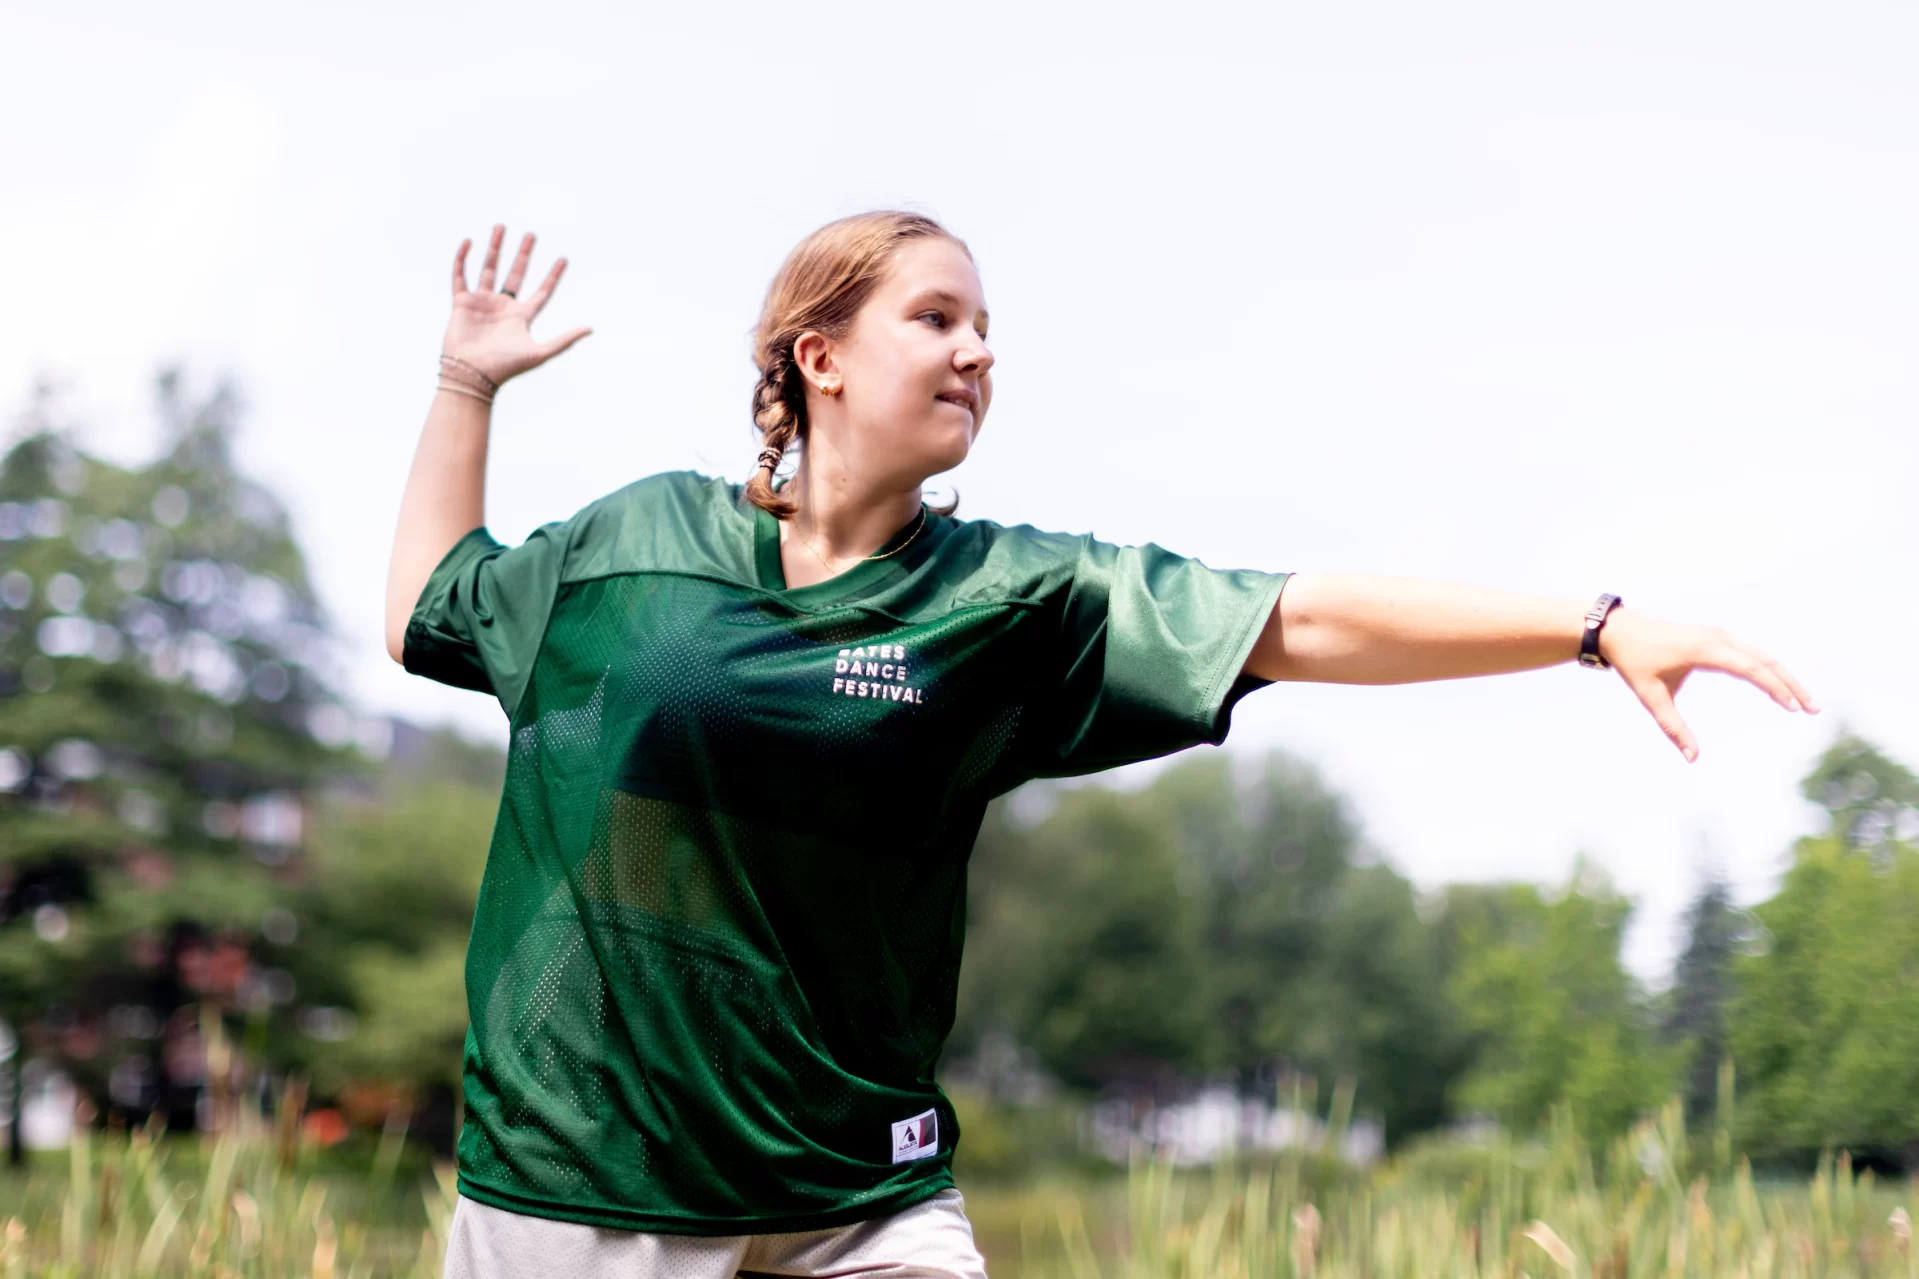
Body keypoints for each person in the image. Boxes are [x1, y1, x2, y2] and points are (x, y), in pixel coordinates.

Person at [385, 212, 1815, 1278]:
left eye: (984, 325)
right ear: (816, 355)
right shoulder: (634, 547)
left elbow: (1293, 621)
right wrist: (466, 389)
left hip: (855, 1188)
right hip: (592, 1180)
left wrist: (1588, 621)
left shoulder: (1011, 599)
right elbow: (428, 612)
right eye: (936, 318)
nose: (977, 348)